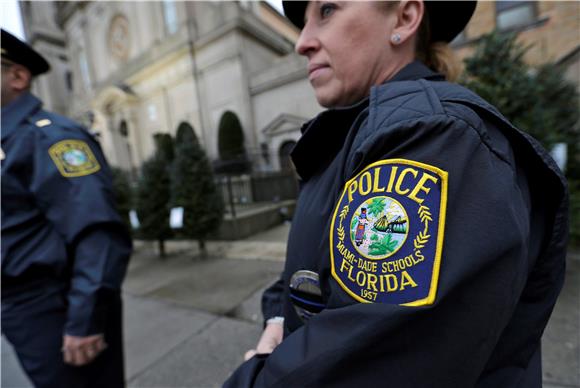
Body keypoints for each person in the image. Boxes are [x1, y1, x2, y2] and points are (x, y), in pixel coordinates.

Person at [225, 1, 568, 387]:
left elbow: (371, 360)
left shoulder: (434, 141)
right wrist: (276, 318)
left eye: (326, 11)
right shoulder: (354, 138)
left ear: (404, 18)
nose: (302, 42)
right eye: (303, 22)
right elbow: (311, 265)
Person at [1, 29, 132, 388]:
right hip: (24, 311)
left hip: (57, 312)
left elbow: (97, 231)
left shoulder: (49, 137)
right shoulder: (9, 143)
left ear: (17, 76)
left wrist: (84, 321)